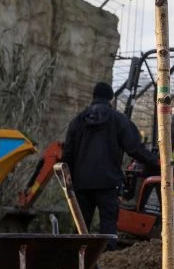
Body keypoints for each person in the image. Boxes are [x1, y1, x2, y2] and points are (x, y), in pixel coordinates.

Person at [61, 81, 157, 250]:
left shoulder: (77, 121)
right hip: (108, 182)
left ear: (93, 97)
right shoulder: (118, 120)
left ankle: (78, 259)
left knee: (81, 225)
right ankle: (108, 258)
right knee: (108, 225)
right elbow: (134, 148)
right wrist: (156, 162)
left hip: (82, 183)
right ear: (111, 98)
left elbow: (68, 153)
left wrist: (68, 179)